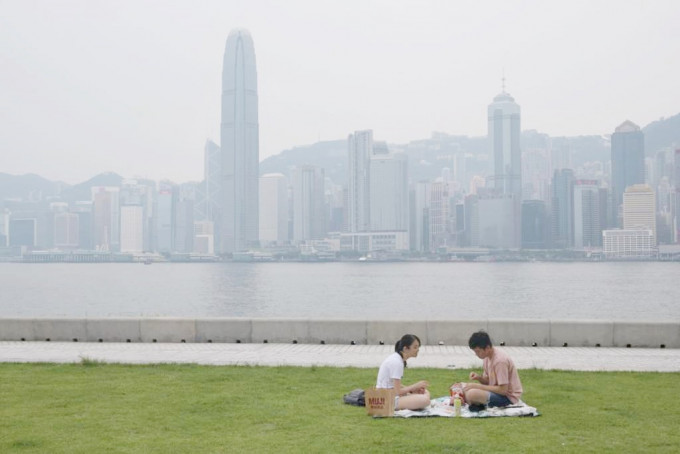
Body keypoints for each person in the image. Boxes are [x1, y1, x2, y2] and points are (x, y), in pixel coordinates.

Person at [462, 331, 523, 408]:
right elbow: (488, 382)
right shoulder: (487, 357)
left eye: (478, 351)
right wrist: (479, 378)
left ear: (487, 348)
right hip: (497, 392)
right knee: (461, 386)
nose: (476, 354)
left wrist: (476, 386)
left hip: (508, 398)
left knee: (471, 394)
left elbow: (503, 390)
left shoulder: (500, 361)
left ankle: (472, 400)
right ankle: (472, 400)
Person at [376, 334, 431, 410]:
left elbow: (393, 384)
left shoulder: (397, 359)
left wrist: (412, 390)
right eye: (415, 347)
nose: (418, 350)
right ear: (405, 348)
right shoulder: (397, 362)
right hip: (386, 400)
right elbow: (397, 391)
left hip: (389, 395)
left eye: (418, 347)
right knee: (425, 400)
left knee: (425, 393)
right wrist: (415, 386)